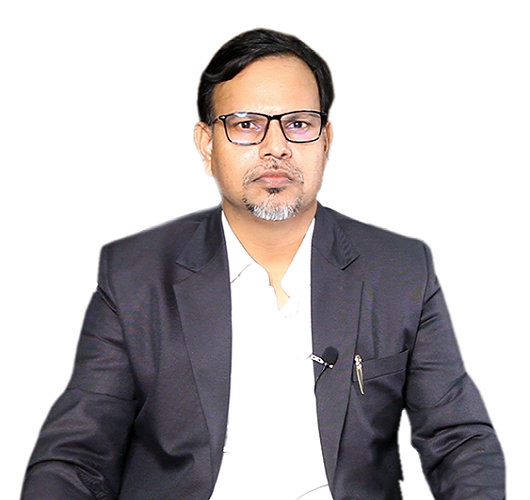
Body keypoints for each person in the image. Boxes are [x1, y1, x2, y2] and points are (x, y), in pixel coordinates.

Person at [21, 28, 505, 500]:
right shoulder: (137, 276)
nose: (276, 147)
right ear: (208, 144)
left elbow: (460, 441)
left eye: (299, 124)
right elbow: (77, 456)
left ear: (325, 140)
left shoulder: (398, 272)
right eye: (247, 124)